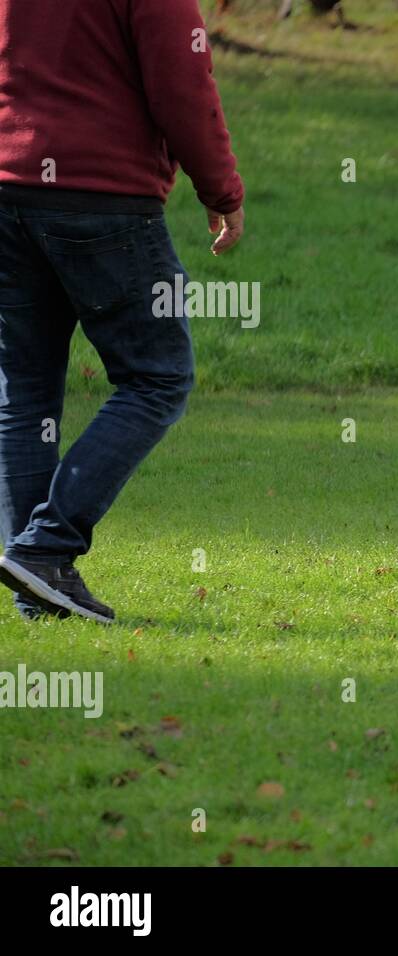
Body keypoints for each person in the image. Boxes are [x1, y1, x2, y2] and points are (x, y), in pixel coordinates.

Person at [0, 0, 244, 622]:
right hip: (101, 197)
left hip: (10, 186)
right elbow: (182, 81)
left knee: (24, 391)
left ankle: (41, 580)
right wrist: (220, 188)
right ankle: (44, 548)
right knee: (159, 376)